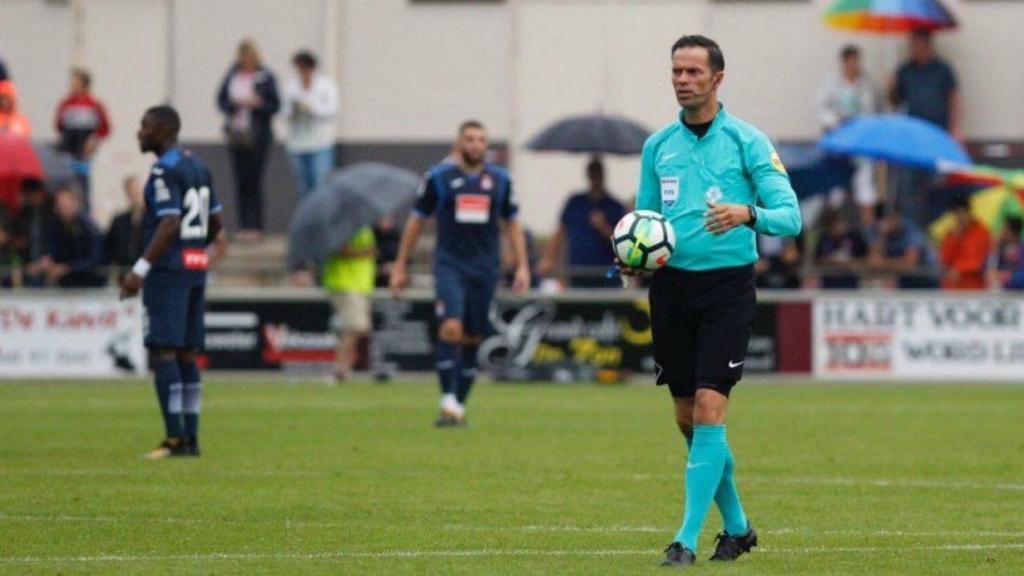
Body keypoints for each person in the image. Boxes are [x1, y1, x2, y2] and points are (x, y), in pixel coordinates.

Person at [619, 35, 801, 567]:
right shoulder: (658, 147)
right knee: (688, 419)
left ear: (717, 78)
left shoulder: (748, 141)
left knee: (708, 408)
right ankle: (739, 527)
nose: (682, 80)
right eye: (677, 70)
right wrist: (634, 258)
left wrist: (748, 214)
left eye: (694, 72)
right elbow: (646, 223)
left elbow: (791, 217)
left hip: (727, 289)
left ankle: (685, 540)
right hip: (672, 289)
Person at [389, 120, 530, 426]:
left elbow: (512, 223)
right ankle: (447, 399)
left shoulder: (501, 181)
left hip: (485, 268)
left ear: (486, 145)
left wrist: (522, 266)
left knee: (473, 337)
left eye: (480, 139)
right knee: (451, 328)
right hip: (450, 265)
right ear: (459, 143)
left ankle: (457, 406)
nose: (475, 144)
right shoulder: (439, 178)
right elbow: (416, 221)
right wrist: (401, 264)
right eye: (469, 139)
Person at [120, 105, 224, 459]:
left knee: (164, 350)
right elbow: (215, 223)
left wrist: (140, 269)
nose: (139, 132)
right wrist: (194, 249)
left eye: (145, 126)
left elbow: (169, 221)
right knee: (186, 352)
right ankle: (191, 437)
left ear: (163, 130)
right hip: (196, 266)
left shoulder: (165, 170)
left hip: (168, 272)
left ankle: (174, 438)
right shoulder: (199, 166)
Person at [217, 39, 280, 243]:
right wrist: (235, 104)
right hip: (237, 135)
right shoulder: (232, 74)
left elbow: (275, 105)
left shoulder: (265, 76)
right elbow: (221, 101)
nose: (245, 60)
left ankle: (256, 226)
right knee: (240, 180)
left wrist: (257, 104)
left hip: (258, 135)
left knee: (254, 179)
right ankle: (244, 226)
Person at [538, 158, 626, 287]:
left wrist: (603, 227)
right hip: (578, 271)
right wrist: (548, 258)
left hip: (606, 273)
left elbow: (621, 242)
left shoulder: (615, 206)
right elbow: (561, 231)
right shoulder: (575, 203)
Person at [816, 45, 878, 226]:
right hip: (840, 141)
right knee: (836, 189)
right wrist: (836, 122)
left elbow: (873, 111)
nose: (853, 66)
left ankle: (869, 230)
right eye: (850, 62)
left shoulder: (866, 84)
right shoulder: (832, 83)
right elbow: (821, 110)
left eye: (856, 62)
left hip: (861, 142)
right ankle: (832, 228)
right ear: (843, 63)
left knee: (865, 186)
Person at [283, 50, 339, 199]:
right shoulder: (292, 86)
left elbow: (332, 109)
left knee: (320, 184)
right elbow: (284, 111)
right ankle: (307, 214)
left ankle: (322, 214)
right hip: (298, 143)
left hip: (320, 143)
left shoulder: (326, 85)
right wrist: (294, 111)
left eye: (304, 68)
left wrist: (311, 109)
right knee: (303, 187)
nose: (302, 72)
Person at [323, 226, 376, 381]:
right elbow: (340, 250)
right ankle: (340, 370)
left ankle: (345, 370)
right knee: (356, 327)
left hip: (362, 285)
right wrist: (365, 252)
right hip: (344, 284)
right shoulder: (339, 226)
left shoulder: (365, 228)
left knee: (357, 329)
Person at [54, 68, 111, 210]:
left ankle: (83, 210)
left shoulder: (94, 105)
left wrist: (94, 141)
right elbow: (59, 125)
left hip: (83, 155)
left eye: (75, 81)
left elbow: (105, 128)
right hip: (67, 152)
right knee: (66, 183)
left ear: (84, 84)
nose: (71, 84)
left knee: (82, 184)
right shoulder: (65, 104)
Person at [865, 204, 936, 289]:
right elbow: (874, 260)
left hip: (924, 276)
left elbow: (910, 263)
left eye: (892, 218)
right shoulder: (875, 229)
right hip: (898, 277)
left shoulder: (911, 229)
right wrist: (882, 236)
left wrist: (884, 263)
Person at [45, 186, 105, 287]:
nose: (62, 208)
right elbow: (55, 252)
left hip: (89, 283)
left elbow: (95, 259)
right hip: (67, 284)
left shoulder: (88, 227)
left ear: (75, 203)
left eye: (65, 205)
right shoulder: (56, 226)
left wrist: (68, 268)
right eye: (59, 205)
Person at [939, 194, 990, 290]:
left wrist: (959, 269)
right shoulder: (950, 235)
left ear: (969, 212)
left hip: (973, 288)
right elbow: (944, 261)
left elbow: (978, 261)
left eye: (961, 214)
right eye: (956, 215)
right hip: (951, 288)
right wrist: (955, 238)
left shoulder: (981, 233)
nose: (959, 218)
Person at [102, 175, 147, 282]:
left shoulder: (152, 220)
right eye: (132, 192)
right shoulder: (119, 221)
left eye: (137, 192)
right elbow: (109, 247)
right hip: (124, 274)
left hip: (147, 273)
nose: (135, 196)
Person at [11, 178, 53, 287]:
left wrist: (48, 258)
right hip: (28, 264)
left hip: (47, 263)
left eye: (35, 194)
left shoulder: (51, 213)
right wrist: (19, 242)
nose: (32, 198)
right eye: (28, 194)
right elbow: (15, 237)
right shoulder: (22, 214)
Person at [813, 208, 867, 289]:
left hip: (851, 281)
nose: (841, 226)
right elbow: (816, 260)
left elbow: (865, 259)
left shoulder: (855, 237)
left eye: (842, 222)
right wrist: (832, 260)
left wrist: (849, 262)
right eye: (837, 223)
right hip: (829, 282)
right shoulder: (823, 239)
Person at [991, 216, 1023, 289]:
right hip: (1000, 289)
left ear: (1012, 232)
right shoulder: (1000, 247)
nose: (1001, 231)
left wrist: (1006, 277)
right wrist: (995, 250)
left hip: (1017, 290)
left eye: (1004, 229)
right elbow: (990, 270)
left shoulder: (1021, 248)